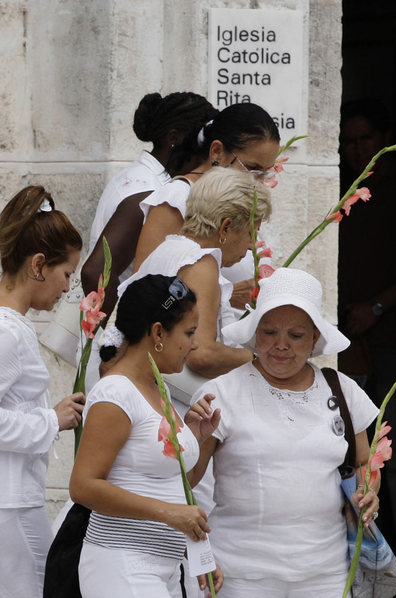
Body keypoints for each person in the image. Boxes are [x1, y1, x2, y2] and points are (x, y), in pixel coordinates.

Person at [188, 267, 380, 598]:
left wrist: (369, 491)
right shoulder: (220, 394)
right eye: (269, 332)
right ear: (254, 334)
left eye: (296, 335)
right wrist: (193, 437)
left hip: (327, 574)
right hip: (240, 576)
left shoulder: (342, 390)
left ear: (315, 339)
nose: (281, 346)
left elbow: (364, 462)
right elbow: (185, 478)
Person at [69, 274, 223, 598]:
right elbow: (83, 486)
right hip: (121, 565)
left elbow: (170, 485)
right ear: (157, 333)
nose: (194, 344)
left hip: (161, 569)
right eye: (189, 333)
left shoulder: (157, 388)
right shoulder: (116, 393)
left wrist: (198, 438)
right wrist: (170, 514)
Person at [110, 167, 274, 411]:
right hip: (171, 405)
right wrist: (262, 358)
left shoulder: (167, 250)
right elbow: (202, 354)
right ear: (226, 228)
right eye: (251, 232)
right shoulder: (200, 264)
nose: (252, 245)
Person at [0, 185, 85, 598]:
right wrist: (52, 420)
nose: (68, 288)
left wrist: (51, 413)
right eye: (66, 273)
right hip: (11, 504)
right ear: (38, 265)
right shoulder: (7, 330)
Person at [133, 101, 281, 309]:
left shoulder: (242, 202)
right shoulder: (177, 197)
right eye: (252, 169)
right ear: (217, 152)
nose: (257, 181)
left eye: (265, 173)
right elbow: (144, 288)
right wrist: (225, 295)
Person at [82, 91, 217, 316]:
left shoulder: (140, 176)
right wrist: (123, 334)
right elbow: (94, 272)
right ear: (174, 138)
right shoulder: (150, 191)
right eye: (200, 152)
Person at [338, 99, 396, 558]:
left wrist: (378, 307)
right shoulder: (347, 189)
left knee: (389, 453)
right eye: (350, 142)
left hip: (390, 336)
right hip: (353, 339)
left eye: (366, 140)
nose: (358, 150)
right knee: (359, 451)